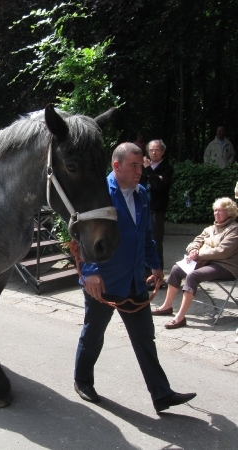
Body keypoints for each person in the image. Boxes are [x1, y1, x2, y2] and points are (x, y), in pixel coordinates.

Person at [74, 142, 196, 412]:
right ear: (116, 166)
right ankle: (82, 380)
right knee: (93, 334)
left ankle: (161, 394)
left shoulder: (141, 193)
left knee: (144, 338)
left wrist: (155, 266)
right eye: (134, 165)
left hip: (134, 280)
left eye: (141, 165)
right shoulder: (99, 192)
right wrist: (91, 273)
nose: (140, 170)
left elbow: (145, 234)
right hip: (103, 281)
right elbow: (80, 236)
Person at [152, 197, 238, 329]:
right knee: (176, 269)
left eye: (220, 211)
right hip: (206, 263)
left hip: (226, 266)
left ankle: (180, 317)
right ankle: (167, 306)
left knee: (193, 276)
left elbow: (223, 251)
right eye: (215, 211)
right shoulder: (210, 229)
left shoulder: (234, 229)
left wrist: (198, 255)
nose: (216, 213)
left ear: (230, 212)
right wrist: (193, 250)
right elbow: (195, 242)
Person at [140, 139, 174, 289]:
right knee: (141, 241)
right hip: (141, 208)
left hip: (156, 210)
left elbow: (159, 186)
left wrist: (148, 170)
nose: (154, 152)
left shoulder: (166, 168)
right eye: (151, 150)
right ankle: (145, 275)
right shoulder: (141, 167)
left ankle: (157, 278)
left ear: (163, 152)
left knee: (155, 243)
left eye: (157, 150)